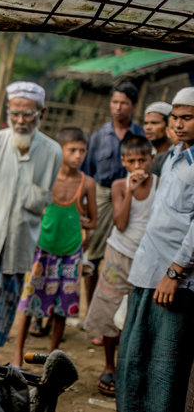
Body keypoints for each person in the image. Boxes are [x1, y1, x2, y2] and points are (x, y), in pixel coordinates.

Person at [0, 81, 62, 360]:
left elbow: (44, 198)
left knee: (4, 306)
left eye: (27, 114)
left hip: (20, 245)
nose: (20, 120)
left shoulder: (53, 152)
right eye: (15, 113)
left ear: (41, 113)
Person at [116, 87, 194, 412]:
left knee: (164, 369)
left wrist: (175, 272)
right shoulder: (174, 157)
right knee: (134, 363)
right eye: (175, 117)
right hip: (146, 274)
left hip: (172, 282)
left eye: (187, 118)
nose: (178, 124)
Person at [13, 127, 97, 368]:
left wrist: (78, 222)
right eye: (72, 150)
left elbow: (94, 221)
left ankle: (53, 357)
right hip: (42, 251)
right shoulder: (46, 178)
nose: (78, 155)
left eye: (82, 150)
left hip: (71, 255)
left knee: (62, 308)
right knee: (29, 304)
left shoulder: (87, 184)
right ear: (59, 151)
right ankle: (18, 354)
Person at [82, 135, 156, 397]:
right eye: (132, 160)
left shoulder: (160, 185)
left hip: (146, 258)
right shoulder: (118, 186)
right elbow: (121, 223)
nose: (138, 165)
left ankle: (129, 368)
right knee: (111, 308)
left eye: (142, 160)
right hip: (119, 254)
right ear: (123, 161)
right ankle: (110, 365)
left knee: (134, 314)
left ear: (151, 159)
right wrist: (131, 193)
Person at [81, 82, 144, 309]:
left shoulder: (140, 135)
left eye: (124, 103)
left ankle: (120, 311)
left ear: (133, 106)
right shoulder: (99, 136)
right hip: (101, 195)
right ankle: (91, 309)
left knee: (125, 253)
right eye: (115, 102)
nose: (118, 107)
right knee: (94, 255)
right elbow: (87, 173)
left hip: (131, 195)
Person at [143, 101, 173, 176]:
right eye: (146, 123)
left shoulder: (177, 154)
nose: (148, 128)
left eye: (154, 123)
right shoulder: (143, 152)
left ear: (169, 125)